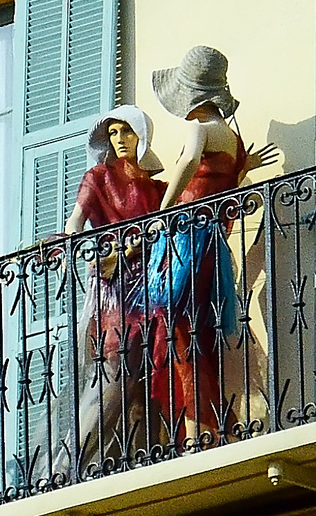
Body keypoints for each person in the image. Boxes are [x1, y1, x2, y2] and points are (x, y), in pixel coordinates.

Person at [145, 47, 280, 444]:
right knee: (198, 337)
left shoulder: (200, 128)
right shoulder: (233, 142)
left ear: (192, 96)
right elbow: (228, 194)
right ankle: (210, 425)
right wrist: (243, 168)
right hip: (212, 247)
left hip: (186, 239)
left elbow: (188, 163)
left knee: (180, 334)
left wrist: (161, 211)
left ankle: (196, 433)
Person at [49, 107, 164, 474]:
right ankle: (67, 466)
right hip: (115, 289)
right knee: (113, 375)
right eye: (113, 133)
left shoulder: (159, 188)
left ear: (141, 136)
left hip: (152, 288)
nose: (119, 139)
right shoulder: (98, 177)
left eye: (126, 132)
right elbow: (74, 223)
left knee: (146, 382)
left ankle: (135, 462)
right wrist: (65, 244)